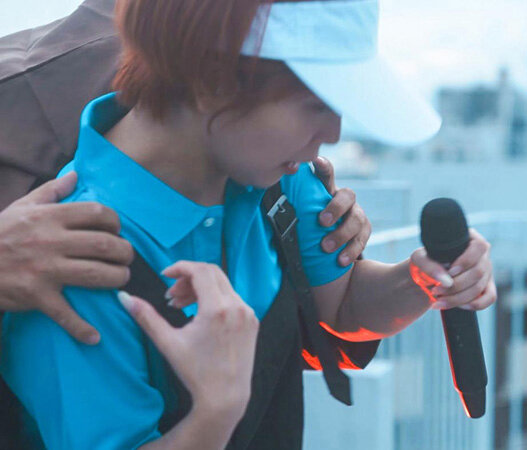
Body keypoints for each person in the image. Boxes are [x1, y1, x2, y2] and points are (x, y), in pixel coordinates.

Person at [1, 0, 498, 449]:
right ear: (212, 82)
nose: (334, 132)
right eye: (316, 104)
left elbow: (342, 305)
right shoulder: (70, 258)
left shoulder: (274, 176)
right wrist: (216, 412)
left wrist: (423, 280)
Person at [0, 0, 372, 346]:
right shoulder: (28, 89)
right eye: (315, 106)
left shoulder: (256, 50)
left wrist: (323, 243)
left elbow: (334, 314)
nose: (332, 133)